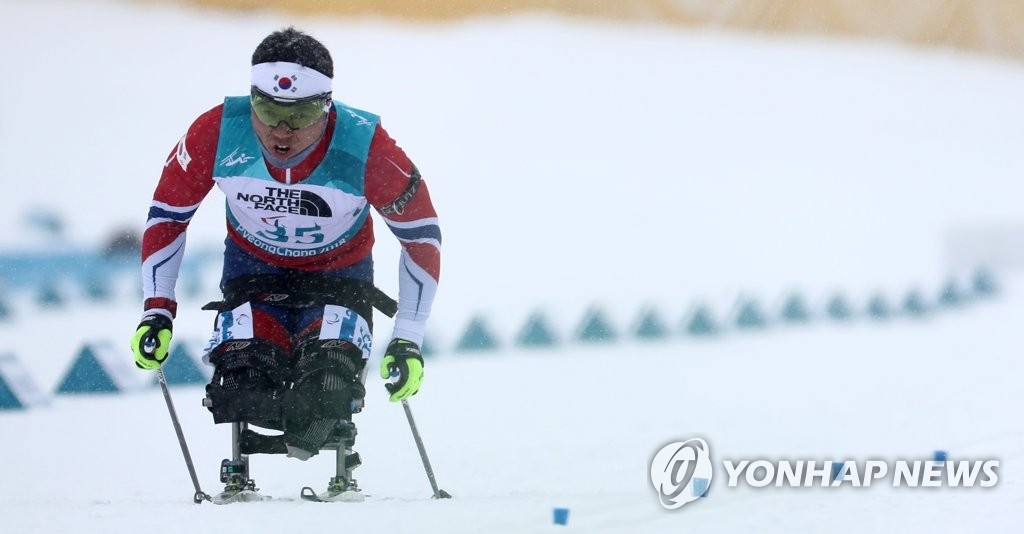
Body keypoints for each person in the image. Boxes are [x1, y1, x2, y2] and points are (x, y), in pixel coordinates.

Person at [129, 27, 441, 498]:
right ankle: (243, 460)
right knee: (243, 382)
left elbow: (421, 235)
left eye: (301, 113)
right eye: (268, 110)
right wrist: (157, 308)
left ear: (328, 106)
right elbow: (168, 216)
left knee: (327, 387)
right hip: (254, 273)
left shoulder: (366, 146)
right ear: (251, 100)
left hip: (339, 276)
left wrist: (408, 339)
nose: (282, 130)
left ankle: (329, 444)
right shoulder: (215, 132)